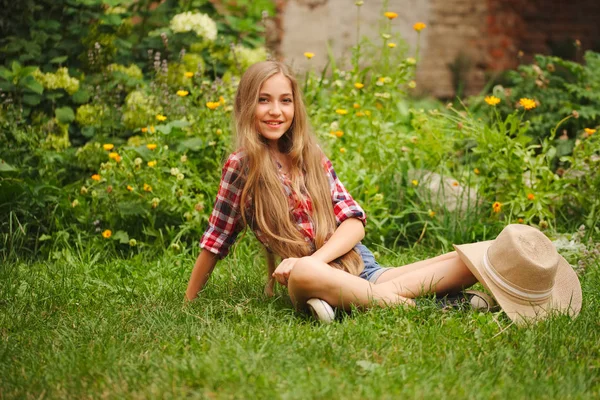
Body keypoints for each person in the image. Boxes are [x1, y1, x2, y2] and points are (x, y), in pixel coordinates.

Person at [185, 61, 493, 322]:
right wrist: (189, 303)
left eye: (285, 100)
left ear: (296, 105)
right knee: (304, 273)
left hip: (361, 268)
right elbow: (216, 240)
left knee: (475, 259)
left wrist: (317, 260)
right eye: (264, 100)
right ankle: (421, 306)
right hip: (309, 280)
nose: (275, 111)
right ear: (246, 104)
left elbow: (354, 223)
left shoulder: (311, 156)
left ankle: (351, 301)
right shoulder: (241, 167)